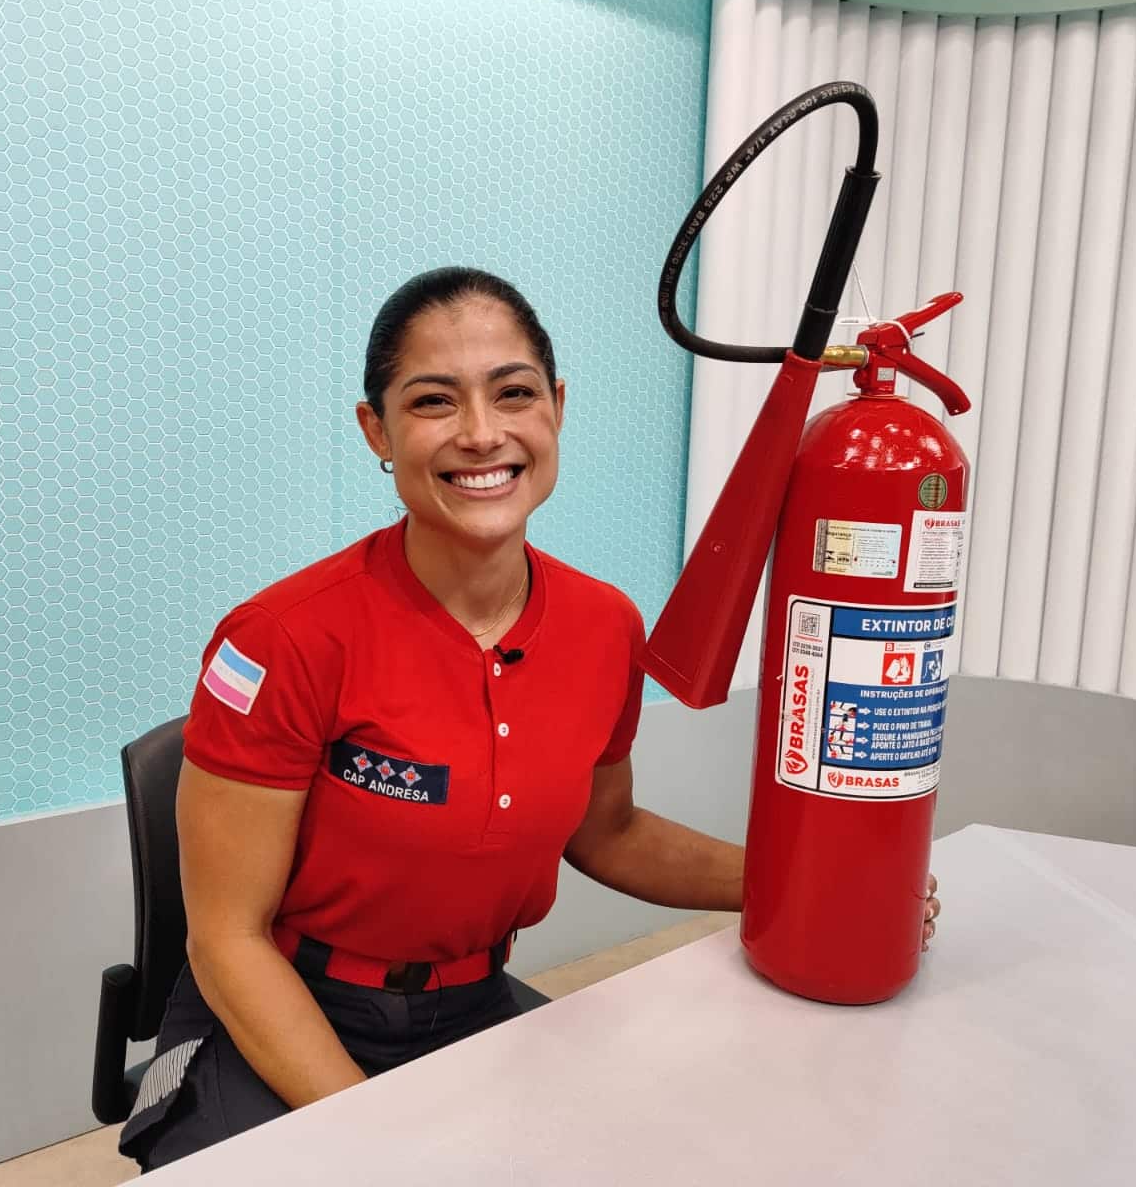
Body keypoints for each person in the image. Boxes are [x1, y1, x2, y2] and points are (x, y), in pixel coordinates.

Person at [118, 267, 941, 1171]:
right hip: (276, 1013)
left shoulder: (603, 626)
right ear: (377, 432)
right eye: (433, 401)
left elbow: (609, 832)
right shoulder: (283, 640)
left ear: (554, 408)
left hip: (472, 1006)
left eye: (512, 394)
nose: (481, 434)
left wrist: (811, 886)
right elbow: (227, 939)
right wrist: (375, 1143)